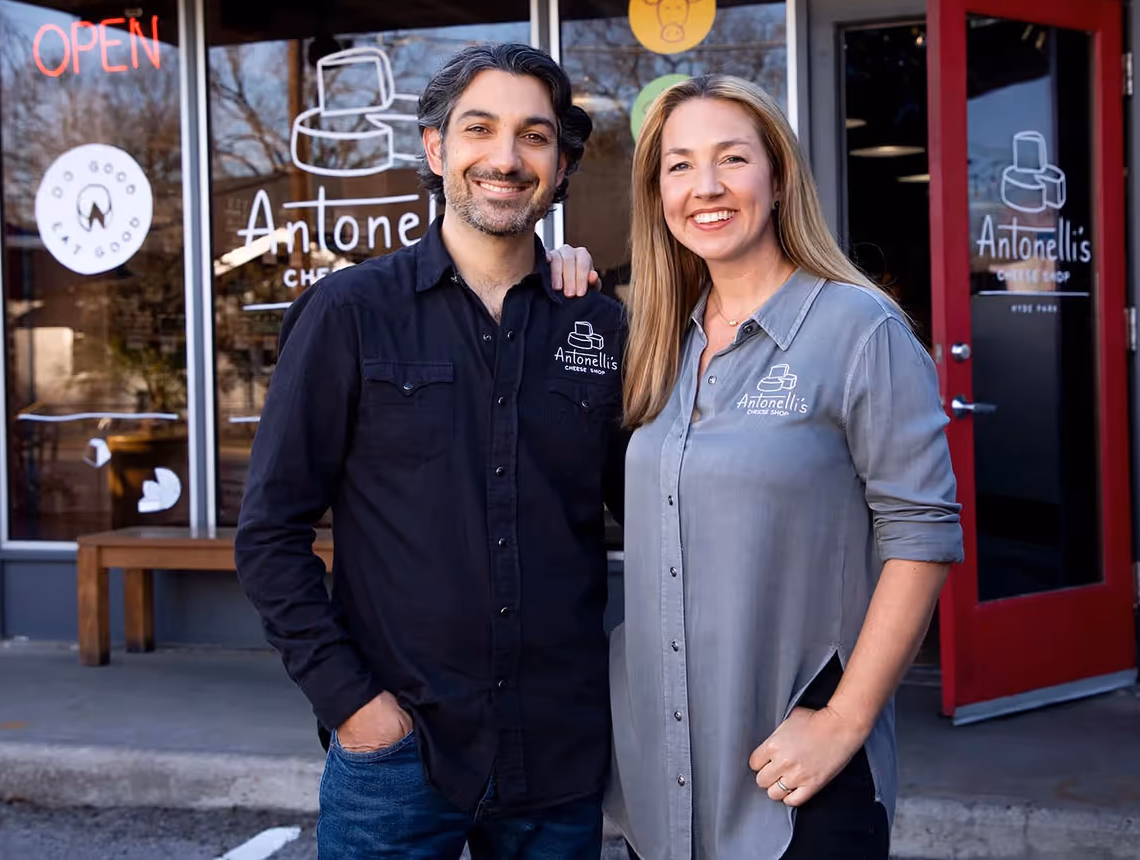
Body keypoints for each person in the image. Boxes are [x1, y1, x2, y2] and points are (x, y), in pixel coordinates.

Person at [234, 42, 623, 860]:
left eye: (534, 136)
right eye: (479, 128)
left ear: (560, 165)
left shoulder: (598, 326)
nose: (506, 158)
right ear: (436, 148)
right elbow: (270, 533)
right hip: (398, 756)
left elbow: (660, 513)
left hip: (557, 755)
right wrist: (353, 706)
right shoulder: (349, 312)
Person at [605, 74, 964, 860]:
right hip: (658, 786)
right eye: (679, 165)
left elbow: (923, 535)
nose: (705, 186)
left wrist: (844, 720)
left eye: (732, 158)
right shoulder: (659, 343)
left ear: (778, 177)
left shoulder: (860, 329)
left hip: (794, 782)